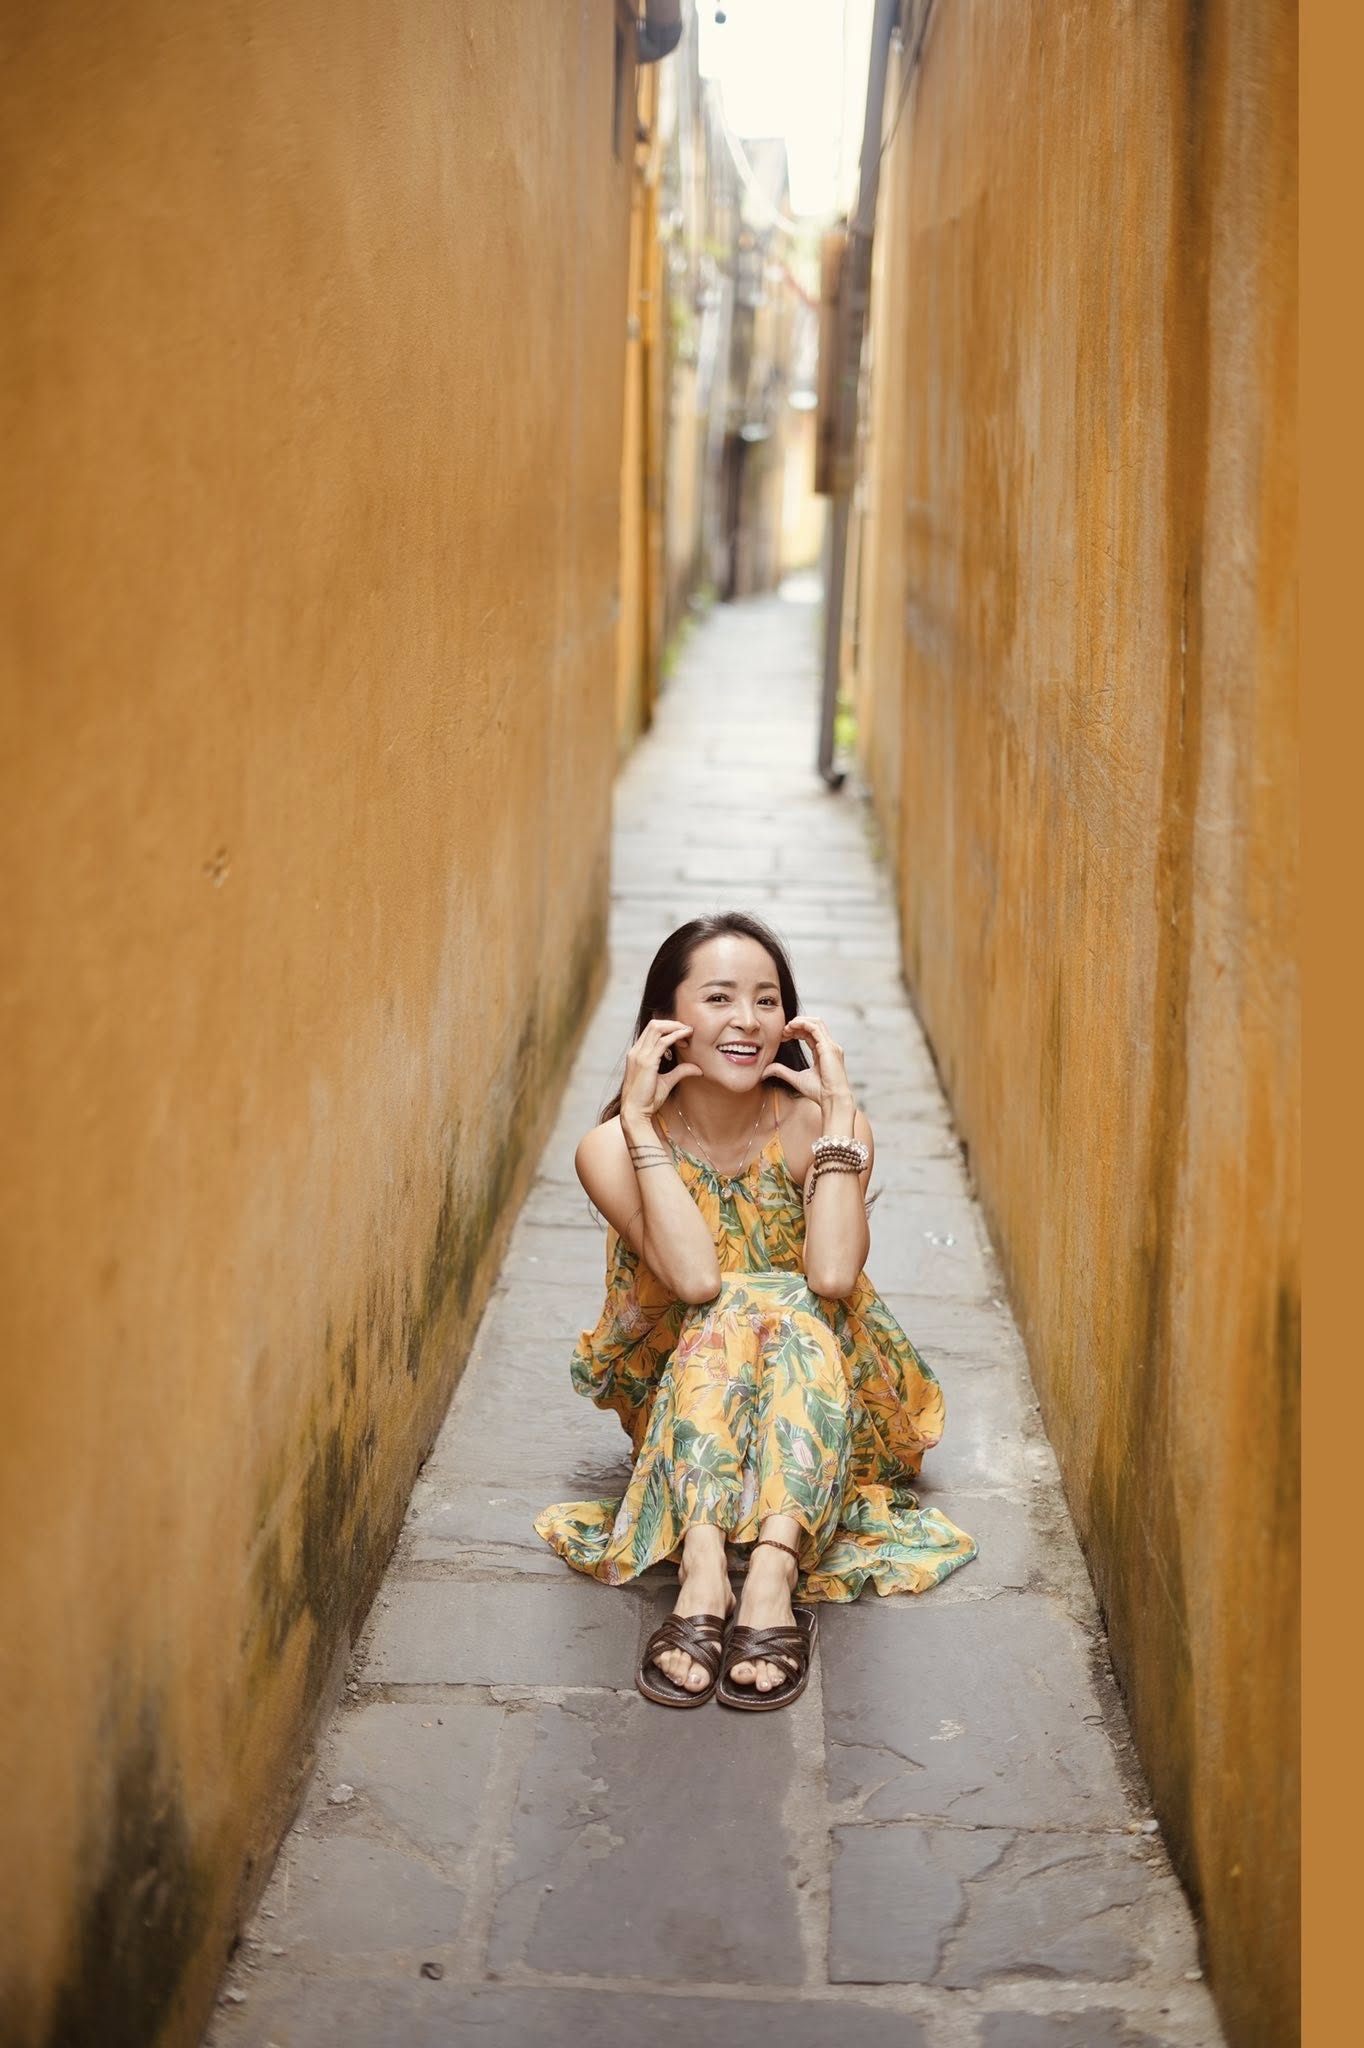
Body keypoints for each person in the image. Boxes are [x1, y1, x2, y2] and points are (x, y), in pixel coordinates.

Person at [534, 911, 977, 1710]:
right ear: (665, 1022)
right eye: (719, 998)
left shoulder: (820, 1128)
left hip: (824, 1393)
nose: (747, 1020)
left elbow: (833, 1275)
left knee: (788, 1297)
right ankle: (706, 1569)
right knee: (734, 1300)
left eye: (767, 1001)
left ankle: (768, 1576)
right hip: (686, 1397)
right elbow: (695, 1280)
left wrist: (841, 1115)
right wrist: (638, 1122)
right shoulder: (611, 1146)